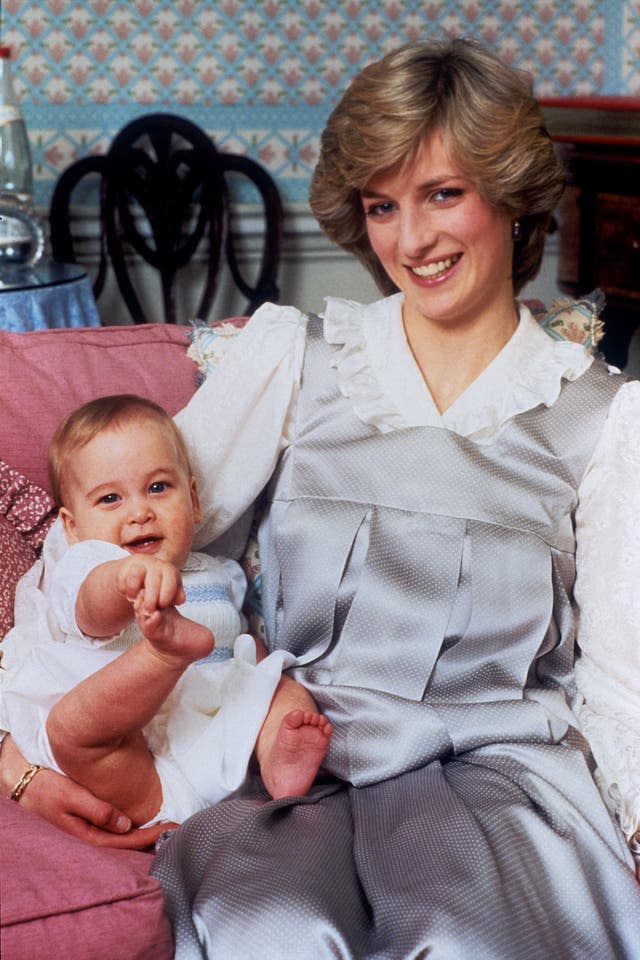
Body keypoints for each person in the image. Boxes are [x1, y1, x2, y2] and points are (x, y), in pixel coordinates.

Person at [2, 35, 640, 957]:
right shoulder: (298, 363)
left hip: (508, 783)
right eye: (383, 206)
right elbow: (108, 557)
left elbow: (623, 689)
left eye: (443, 195)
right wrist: (17, 761)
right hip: (296, 767)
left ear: (511, 193)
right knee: (274, 930)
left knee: (462, 939)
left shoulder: (603, 419)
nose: (411, 241)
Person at [0, 395, 331, 828]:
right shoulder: (85, 568)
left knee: (279, 685)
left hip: (218, 729)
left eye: (158, 488)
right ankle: (164, 654)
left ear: (193, 499)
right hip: (133, 752)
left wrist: (267, 678)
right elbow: (92, 612)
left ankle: (280, 762)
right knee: (69, 732)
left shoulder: (223, 573)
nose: (140, 512)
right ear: (72, 527)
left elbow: (246, 642)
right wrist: (123, 579)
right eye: (110, 499)